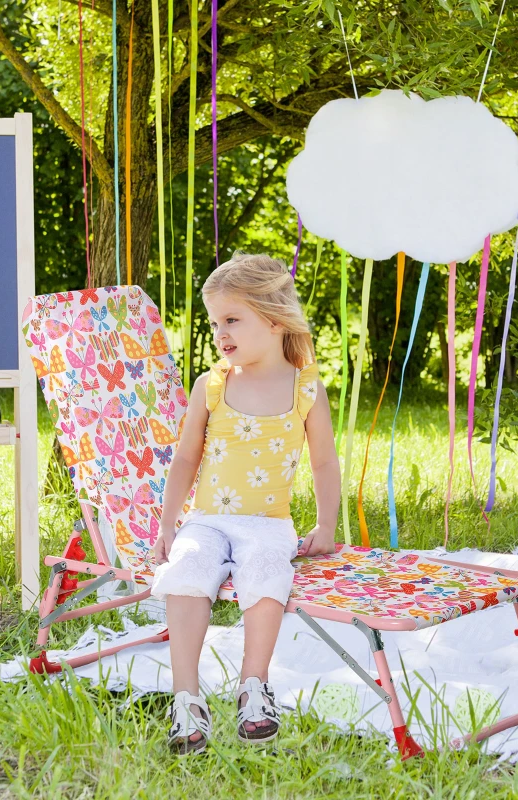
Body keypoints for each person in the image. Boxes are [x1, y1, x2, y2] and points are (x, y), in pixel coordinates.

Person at [151, 252, 341, 755]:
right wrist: (170, 523)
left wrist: (326, 525)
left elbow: (324, 463)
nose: (220, 332)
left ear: (274, 319)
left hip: (268, 523)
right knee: (188, 568)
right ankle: (186, 697)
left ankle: (253, 689)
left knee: (268, 569)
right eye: (215, 322)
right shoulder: (212, 385)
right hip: (208, 521)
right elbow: (186, 457)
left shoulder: (306, 389)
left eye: (232, 319)